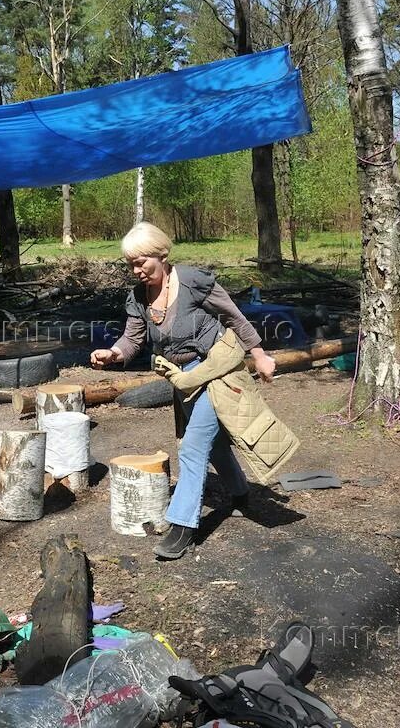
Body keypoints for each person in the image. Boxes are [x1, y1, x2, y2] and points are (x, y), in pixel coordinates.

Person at [91, 222, 281, 560]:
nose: (136, 271)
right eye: (130, 264)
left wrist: (260, 354)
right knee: (216, 443)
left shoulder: (194, 282)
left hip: (216, 373)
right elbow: (133, 338)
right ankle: (239, 493)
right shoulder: (137, 297)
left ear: (162, 255)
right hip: (182, 379)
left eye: (142, 262)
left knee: (193, 446)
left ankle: (181, 526)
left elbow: (234, 317)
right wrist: (114, 353)